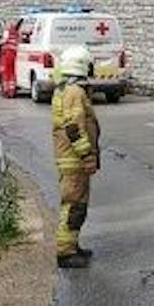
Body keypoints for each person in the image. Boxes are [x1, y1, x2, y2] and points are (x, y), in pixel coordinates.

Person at [51, 44, 100, 268]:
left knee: (76, 203)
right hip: (74, 159)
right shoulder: (74, 92)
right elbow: (74, 128)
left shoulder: (66, 89)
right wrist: (87, 154)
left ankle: (72, 244)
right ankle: (65, 252)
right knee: (73, 204)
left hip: (70, 157)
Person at [0, 20, 20, 98]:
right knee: (12, 73)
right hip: (14, 55)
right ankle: (12, 90)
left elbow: (4, 40)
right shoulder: (16, 33)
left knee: (5, 73)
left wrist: (0, 42)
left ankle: (6, 90)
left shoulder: (7, 32)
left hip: (6, 55)